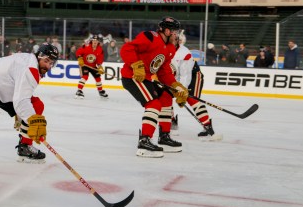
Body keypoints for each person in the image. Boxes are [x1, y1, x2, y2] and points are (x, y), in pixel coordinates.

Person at [120, 17, 188, 158]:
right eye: (175, 32)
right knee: (153, 103)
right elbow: (127, 48)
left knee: (166, 96)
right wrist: (135, 64)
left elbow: (164, 72)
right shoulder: (150, 37)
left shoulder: (170, 48)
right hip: (133, 77)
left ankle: (164, 136)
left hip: (146, 78)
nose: (177, 36)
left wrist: (176, 87)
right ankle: (144, 141)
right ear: (167, 31)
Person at [171, 31, 222, 141]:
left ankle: (207, 126)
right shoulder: (163, 49)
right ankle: (171, 122)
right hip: (174, 78)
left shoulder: (184, 53)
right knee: (164, 97)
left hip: (193, 76)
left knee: (192, 99)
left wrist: (182, 91)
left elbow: (185, 76)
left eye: (175, 39)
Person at [75, 35, 108, 99]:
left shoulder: (100, 50)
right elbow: (78, 52)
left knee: (98, 77)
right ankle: (79, 91)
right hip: (85, 65)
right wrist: (79, 58)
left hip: (93, 66)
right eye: (93, 40)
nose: (95, 42)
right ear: (91, 41)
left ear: (98, 42)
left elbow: (99, 60)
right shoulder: (86, 47)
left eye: (96, 40)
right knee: (85, 76)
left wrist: (99, 67)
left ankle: (100, 91)